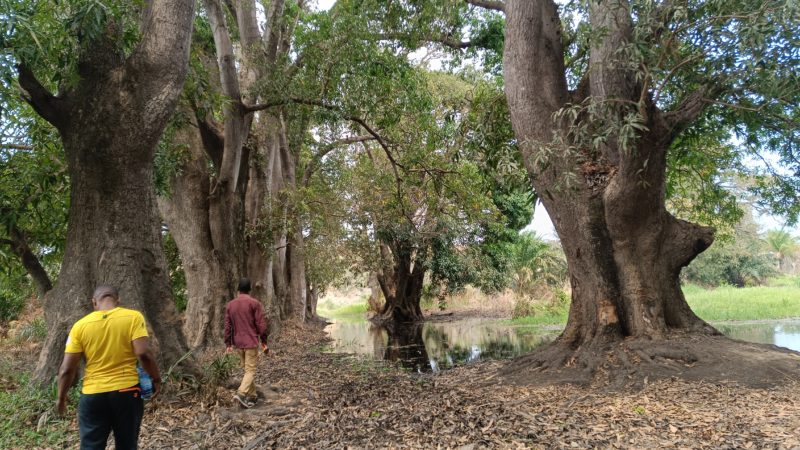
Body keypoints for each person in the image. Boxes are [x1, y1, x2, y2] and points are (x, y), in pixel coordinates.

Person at [56, 285, 161, 450]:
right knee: (127, 445)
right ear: (117, 300)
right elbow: (143, 354)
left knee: (91, 446)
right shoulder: (132, 317)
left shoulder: (79, 326)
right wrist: (156, 379)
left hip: (93, 394)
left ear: (94, 302)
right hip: (127, 392)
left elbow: (66, 370)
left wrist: (61, 397)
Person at [224, 278, 269, 408]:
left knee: (247, 371)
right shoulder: (254, 303)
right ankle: (241, 394)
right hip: (251, 342)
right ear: (250, 290)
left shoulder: (230, 305)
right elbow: (261, 325)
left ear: (238, 290)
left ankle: (253, 397)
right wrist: (264, 341)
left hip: (238, 343)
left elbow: (227, 327)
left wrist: (228, 344)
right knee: (250, 371)